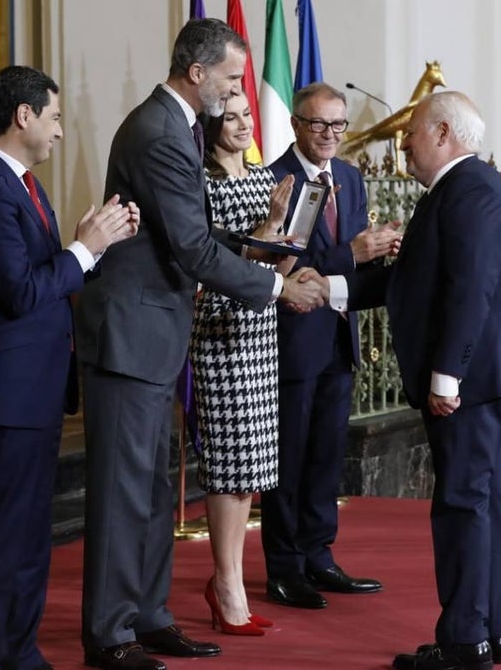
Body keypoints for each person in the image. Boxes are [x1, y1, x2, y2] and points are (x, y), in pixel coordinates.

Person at [73, 18, 326, 670]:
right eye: (232, 76)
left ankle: (150, 615)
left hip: (155, 333)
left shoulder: (177, 124)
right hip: (130, 335)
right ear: (197, 72)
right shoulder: (160, 130)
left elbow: (192, 236)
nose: (237, 89)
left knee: (157, 490)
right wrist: (275, 289)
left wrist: (264, 249)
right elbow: (190, 245)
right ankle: (108, 632)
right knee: (124, 492)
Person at [307, 91, 501, 670]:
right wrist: (328, 290)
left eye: (412, 135)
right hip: (481, 380)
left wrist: (447, 376)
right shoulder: (459, 191)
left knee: (462, 506)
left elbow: (469, 291)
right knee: (483, 506)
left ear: (443, 134)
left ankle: (464, 642)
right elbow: (413, 280)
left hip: (470, 384)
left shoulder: (471, 192)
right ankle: (487, 634)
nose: (402, 144)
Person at [0, 65, 140, 670]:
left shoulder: (25, 184)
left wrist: (92, 247)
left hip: (36, 388)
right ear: (23, 116)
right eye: (54, 117)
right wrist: (85, 249)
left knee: (31, 537)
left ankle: (18, 652)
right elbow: (19, 292)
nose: (60, 131)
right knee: (3, 535)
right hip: (7, 393)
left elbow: (48, 276)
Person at [261, 82, 401, 609]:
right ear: (297, 124)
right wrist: (351, 251)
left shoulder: (349, 177)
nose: (330, 135)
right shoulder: (275, 180)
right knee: (289, 459)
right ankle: (284, 567)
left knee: (325, 457)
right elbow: (284, 265)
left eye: (339, 125)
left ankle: (319, 556)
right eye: (319, 124)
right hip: (293, 338)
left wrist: (379, 252)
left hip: (338, 338)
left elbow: (356, 263)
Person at [189, 92, 295, 635]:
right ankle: (226, 582)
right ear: (209, 126)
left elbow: (271, 252)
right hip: (217, 329)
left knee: (249, 467)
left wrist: (284, 234)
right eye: (229, 118)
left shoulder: (261, 178)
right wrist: (267, 233)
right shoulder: (200, 185)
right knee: (226, 464)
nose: (241, 125)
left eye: (246, 115)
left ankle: (229, 577)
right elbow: (208, 262)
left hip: (259, 329)